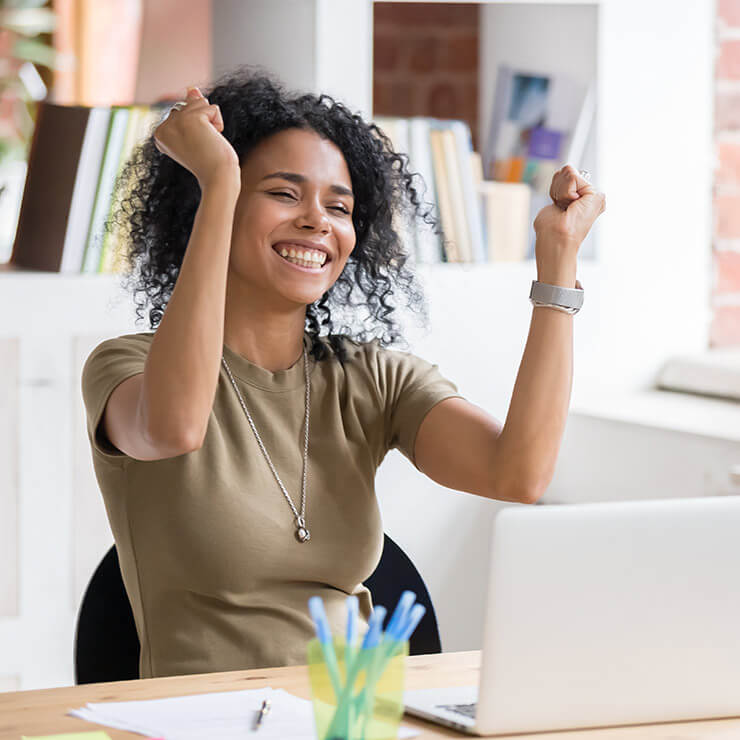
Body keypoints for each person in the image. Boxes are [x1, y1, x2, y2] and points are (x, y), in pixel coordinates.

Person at [81, 67, 605, 680]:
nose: (317, 220)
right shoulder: (127, 366)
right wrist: (220, 178)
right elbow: (173, 429)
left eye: (339, 206)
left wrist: (558, 261)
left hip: (353, 714)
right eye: (282, 193)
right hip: (202, 718)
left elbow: (519, 474)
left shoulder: (370, 377)